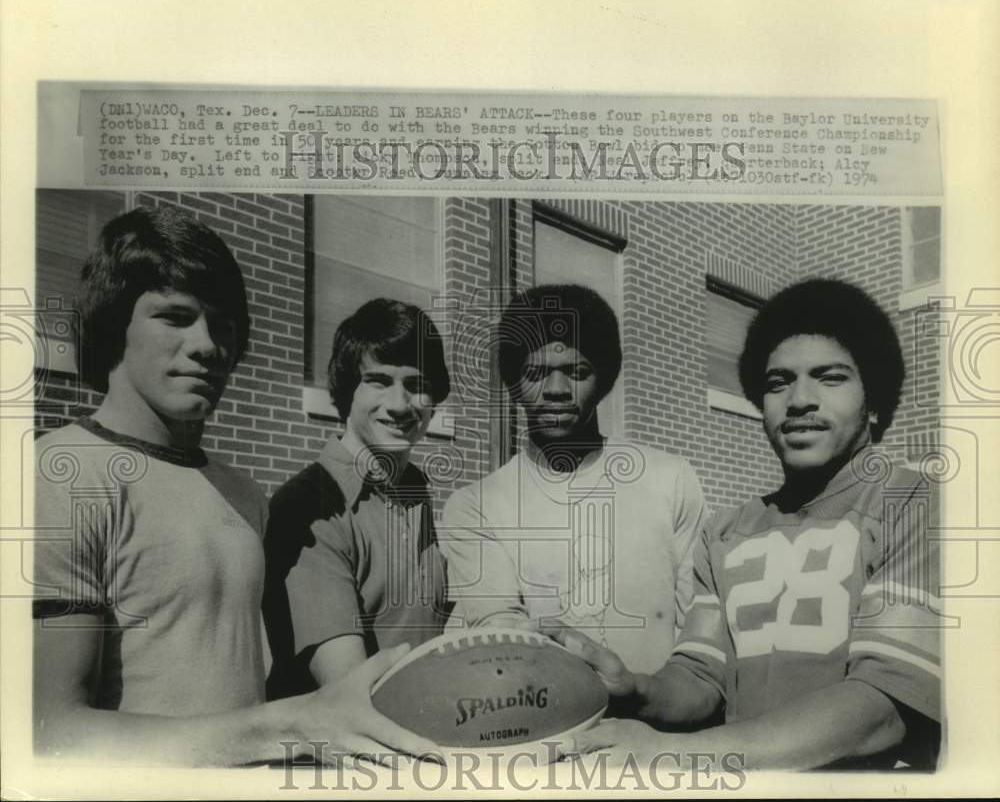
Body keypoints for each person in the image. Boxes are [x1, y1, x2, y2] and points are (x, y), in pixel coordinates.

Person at [32, 207, 438, 765]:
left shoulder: (244, 495)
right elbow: (47, 735)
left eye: (223, 326)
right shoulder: (60, 475)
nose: (206, 345)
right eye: (175, 316)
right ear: (111, 325)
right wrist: (292, 725)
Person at [553, 278, 941, 770]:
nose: (799, 399)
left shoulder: (914, 503)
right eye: (778, 382)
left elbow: (883, 706)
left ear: (875, 400)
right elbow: (701, 678)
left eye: (830, 377)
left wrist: (672, 755)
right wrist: (635, 687)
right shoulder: (726, 531)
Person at [440, 284, 708, 676]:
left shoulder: (669, 480)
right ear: (514, 383)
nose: (556, 391)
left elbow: (699, 632)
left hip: (659, 728)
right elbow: (502, 642)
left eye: (577, 372)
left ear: (604, 380)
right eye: (535, 373)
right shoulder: (476, 506)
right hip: (548, 726)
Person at [264, 298, 451, 698]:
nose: (401, 405)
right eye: (379, 381)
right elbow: (350, 691)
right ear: (347, 390)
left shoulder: (418, 494)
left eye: (417, 385)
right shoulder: (307, 507)